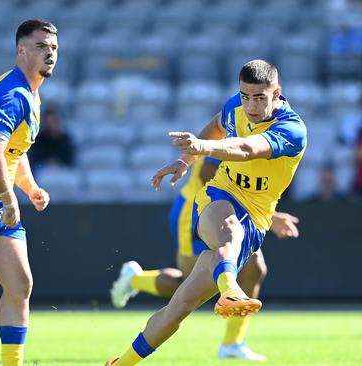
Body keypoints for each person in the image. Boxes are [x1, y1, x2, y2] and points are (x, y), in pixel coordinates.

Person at [105, 59, 306, 365]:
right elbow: (216, 125)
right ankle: (230, 291)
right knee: (230, 232)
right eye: (244, 96)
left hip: (256, 220)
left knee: (180, 306)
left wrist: (200, 148)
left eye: (259, 97)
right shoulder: (235, 108)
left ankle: (121, 363)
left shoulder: (292, 129)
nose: (250, 106)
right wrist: (185, 161)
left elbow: (248, 149)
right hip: (219, 195)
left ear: (277, 93)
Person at [109, 155, 301, 361]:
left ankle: (232, 342)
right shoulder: (236, 126)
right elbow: (206, 173)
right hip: (200, 206)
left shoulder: (273, 128)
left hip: (233, 210)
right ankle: (136, 279)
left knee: (254, 267)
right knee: (190, 285)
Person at [0, 20, 57, 366]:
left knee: (20, 284)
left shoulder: (31, 93)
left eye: (53, 47)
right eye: (40, 46)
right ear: (21, 51)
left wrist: (29, 187)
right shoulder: (13, 94)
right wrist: (9, 199)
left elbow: (11, 153)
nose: (49, 53)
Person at [29, 106, 75, 171]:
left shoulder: (66, 139)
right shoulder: (39, 140)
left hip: (63, 171)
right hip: (44, 171)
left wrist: (58, 162)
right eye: (49, 123)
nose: (52, 125)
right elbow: (36, 159)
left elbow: (70, 159)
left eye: (54, 121)